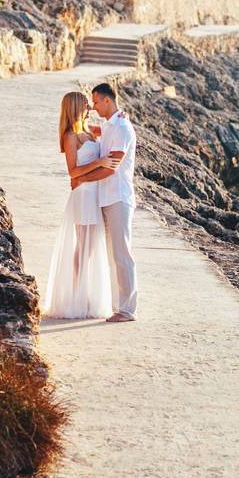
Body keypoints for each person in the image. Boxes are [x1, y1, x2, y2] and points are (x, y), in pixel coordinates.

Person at [42, 91, 122, 319]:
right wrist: (99, 162)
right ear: (76, 108)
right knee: (83, 247)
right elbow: (73, 171)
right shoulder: (70, 136)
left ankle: (82, 292)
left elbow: (110, 128)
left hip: (94, 193)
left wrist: (121, 117)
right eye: (86, 106)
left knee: (91, 246)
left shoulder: (87, 132)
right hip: (82, 195)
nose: (90, 109)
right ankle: (76, 294)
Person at [70, 83, 138, 323]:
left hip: (118, 197)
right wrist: (83, 112)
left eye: (96, 102)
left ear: (107, 101)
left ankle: (127, 310)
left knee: (121, 254)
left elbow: (111, 168)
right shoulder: (111, 125)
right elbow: (91, 133)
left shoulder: (121, 128)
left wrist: (82, 178)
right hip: (105, 198)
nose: (94, 106)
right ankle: (116, 306)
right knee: (111, 255)